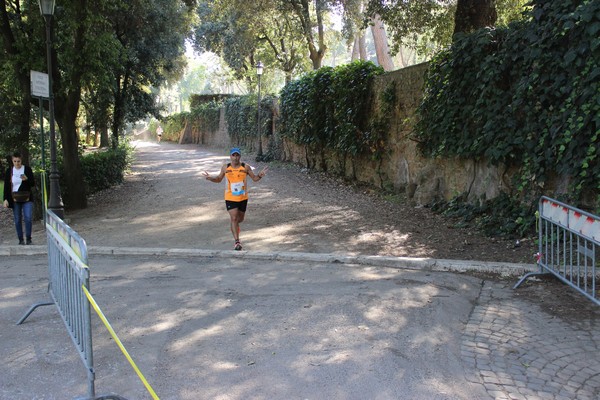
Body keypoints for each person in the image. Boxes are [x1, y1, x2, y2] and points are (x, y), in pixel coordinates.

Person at [202, 147, 268, 250]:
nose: (235, 157)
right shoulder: (225, 168)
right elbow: (219, 179)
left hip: (242, 197)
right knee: (234, 218)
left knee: (240, 219)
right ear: (230, 156)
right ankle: (237, 242)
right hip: (230, 197)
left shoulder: (245, 167)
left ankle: (236, 227)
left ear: (240, 156)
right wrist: (211, 178)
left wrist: (260, 175)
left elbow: (254, 178)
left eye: (237, 155)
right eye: (233, 155)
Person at [3, 151, 35, 245]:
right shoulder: (10, 171)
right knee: (17, 219)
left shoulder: (27, 169)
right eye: (15, 161)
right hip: (15, 198)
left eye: (19, 161)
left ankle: (28, 238)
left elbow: (32, 183)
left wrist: (26, 179)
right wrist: (5, 199)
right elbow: (7, 186)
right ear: (12, 161)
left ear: (21, 161)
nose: (17, 163)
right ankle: (20, 239)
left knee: (28, 217)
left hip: (26, 197)